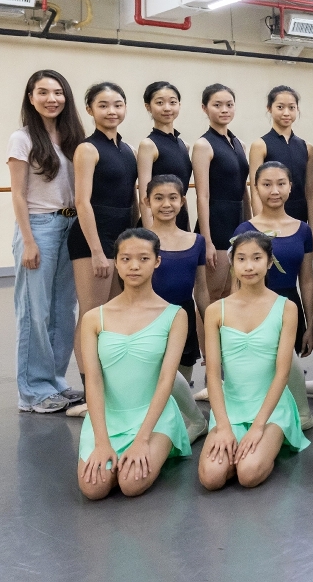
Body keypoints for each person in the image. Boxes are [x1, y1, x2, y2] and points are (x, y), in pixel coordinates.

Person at [76, 228, 193, 499]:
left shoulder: (175, 316)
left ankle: (164, 441)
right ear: (116, 263)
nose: (134, 266)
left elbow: (166, 379)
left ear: (157, 261)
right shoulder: (94, 318)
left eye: (143, 258)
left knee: (131, 484)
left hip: (154, 418)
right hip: (107, 419)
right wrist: (102, 442)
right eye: (126, 259)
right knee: (93, 489)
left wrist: (142, 439)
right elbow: (93, 379)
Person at [198, 231, 310, 490]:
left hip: (271, 409)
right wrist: (223, 426)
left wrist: (259, 426)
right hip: (231, 407)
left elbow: (282, 373)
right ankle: (236, 450)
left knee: (248, 473)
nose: (249, 266)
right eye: (241, 259)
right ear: (232, 263)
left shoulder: (286, 308)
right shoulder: (215, 311)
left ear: (269, 262)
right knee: (211, 478)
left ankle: (269, 441)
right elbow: (213, 374)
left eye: (256, 258)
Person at [9, 69, 86, 414]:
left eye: (57, 92)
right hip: (39, 227)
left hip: (71, 225)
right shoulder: (22, 138)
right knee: (34, 312)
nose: (51, 99)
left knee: (62, 311)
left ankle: (53, 381)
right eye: (42, 92)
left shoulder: (73, 138)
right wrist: (28, 241)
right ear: (31, 98)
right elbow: (18, 194)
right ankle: (32, 392)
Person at [69, 82, 138, 417]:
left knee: (113, 315)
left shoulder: (127, 150)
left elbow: (132, 198)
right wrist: (98, 250)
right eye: (104, 105)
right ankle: (89, 394)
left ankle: (110, 388)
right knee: (91, 315)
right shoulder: (87, 149)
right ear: (90, 110)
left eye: (118, 104)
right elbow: (82, 202)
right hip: (92, 239)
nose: (112, 111)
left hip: (122, 237)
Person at [231, 162, 313, 431]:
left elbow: (307, 280)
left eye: (281, 183)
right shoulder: (244, 230)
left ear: (291, 187)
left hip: (289, 305)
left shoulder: (302, 230)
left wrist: (311, 324)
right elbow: (236, 280)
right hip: (252, 306)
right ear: (255, 188)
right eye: (266, 184)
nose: (274, 191)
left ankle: (303, 413)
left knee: (286, 358)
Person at [145, 175, 210, 440]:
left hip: (183, 318)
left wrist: (211, 326)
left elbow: (201, 289)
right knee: (155, 382)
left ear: (182, 201)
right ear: (147, 202)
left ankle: (189, 421)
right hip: (150, 318)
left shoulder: (196, 241)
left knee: (178, 383)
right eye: (158, 198)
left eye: (172, 198)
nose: (166, 204)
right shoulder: (140, 240)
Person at [191, 84, 250, 303]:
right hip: (216, 224)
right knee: (212, 293)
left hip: (237, 222)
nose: (224, 110)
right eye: (217, 105)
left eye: (229, 105)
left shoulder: (239, 143)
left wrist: (250, 225)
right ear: (204, 108)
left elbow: (244, 189)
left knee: (231, 294)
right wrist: (207, 240)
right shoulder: (203, 145)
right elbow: (202, 195)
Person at [250, 86, 313, 236]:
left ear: (297, 109)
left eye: (291, 107)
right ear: (269, 108)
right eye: (280, 107)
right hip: (270, 218)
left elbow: (310, 192)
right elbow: (255, 191)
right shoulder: (260, 145)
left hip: (299, 219)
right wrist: (262, 229)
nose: (286, 113)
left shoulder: (307, 147)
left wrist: (312, 231)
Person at [136, 82, 192, 230]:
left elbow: (182, 193)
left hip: (179, 219)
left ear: (179, 105)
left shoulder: (184, 145)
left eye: (172, 102)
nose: (167, 108)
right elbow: (144, 199)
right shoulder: (148, 145)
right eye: (160, 103)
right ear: (148, 107)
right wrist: (151, 236)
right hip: (157, 221)